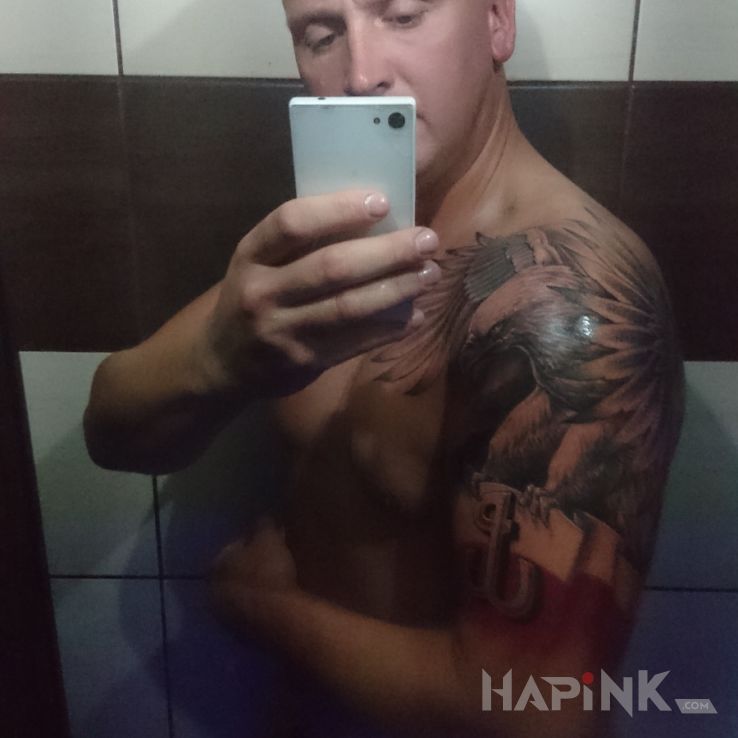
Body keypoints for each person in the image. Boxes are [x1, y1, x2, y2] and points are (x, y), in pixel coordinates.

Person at [84, 1, 685, 735]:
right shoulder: (339, 236)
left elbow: (541, 717)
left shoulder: (562, 302)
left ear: (497, 21)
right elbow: (114, 433)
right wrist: (217, 359)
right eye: (321, 34)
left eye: (402, 14)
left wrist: (264, 608)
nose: (360, 75)